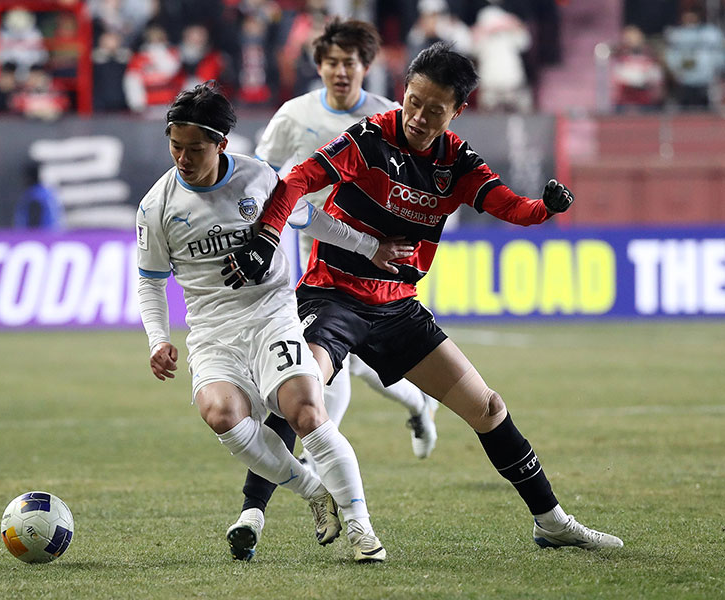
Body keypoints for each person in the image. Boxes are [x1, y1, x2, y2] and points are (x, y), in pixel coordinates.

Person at [222, 43, 625, 551]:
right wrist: (265, 236)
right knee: (298, 392)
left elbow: (508, 205)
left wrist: (543, 208)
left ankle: (551, 521)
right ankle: (254, 514)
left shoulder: (456, 162)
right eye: (412, 101)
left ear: (457, 112)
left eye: (433, 110)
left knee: (488, 407)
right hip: (331, 298)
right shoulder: (370, 136)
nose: (416, 116)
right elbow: (296, 180)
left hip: (396, 306)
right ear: (403, 91)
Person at [136, 82, 410, 563]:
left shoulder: (259, 179)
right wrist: (159, 339)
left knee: (306, 410)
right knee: (221, 414)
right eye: (175, 146)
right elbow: (150, 282)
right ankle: (312, 491)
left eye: (194, 149)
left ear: (221, 143)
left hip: (270, 317)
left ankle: (361, 528)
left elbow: (312, 220)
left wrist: (371, 248)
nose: (182, 158)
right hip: (213, 331)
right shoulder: (157, 206)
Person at [225, 17, 442, 562]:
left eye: (351, 62)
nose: (340, 71)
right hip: (317, 270)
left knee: (316, 392)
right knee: (306, 387)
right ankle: (257, 513)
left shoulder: (391, 119)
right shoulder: (294, 117)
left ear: (366, 67)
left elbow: (428, 186)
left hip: (377, 272)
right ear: (318, 65)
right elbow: (267, 183)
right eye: (331, 62)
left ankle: (414, 410)